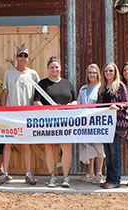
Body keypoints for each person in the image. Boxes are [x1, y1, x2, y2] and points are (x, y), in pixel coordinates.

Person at [0, 46, 40, 185]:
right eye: (20, 55)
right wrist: (3, 111)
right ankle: (5, 173)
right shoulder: (9, 73)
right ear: (17, 57)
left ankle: (28, 173)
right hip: (11, 114)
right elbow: (5, 92)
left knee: (27, 144)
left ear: (28, 58)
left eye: (25, 56)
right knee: (7, 143)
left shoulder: (33, 74)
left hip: (27, 115)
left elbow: (38, 94)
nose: (23, 58)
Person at [34, 56, 77, 188]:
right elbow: (36, 102)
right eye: (52, 67)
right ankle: (52, 176)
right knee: (49, 147)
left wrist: (70, 105)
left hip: (65, 122)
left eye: (56, 67)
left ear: (60, 68)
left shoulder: (67, 84)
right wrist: (47, 110)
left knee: (67, 148)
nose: (54, 69)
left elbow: (75, 101)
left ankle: (65, 177)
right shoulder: (42, 84)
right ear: (48, 69)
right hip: (48, 121)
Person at [97, 62, 128, 189]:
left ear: (115, 72)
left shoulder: (120, 86)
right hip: (105, 125)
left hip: (116, 124)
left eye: (111, 70)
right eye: (106, 71)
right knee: (108, 153)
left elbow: (127, 103)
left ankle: (115, 180)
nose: (108, 73)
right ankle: (109, 178)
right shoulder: (102, 87)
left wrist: (117, 106)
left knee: (115, 152)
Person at [77, 64, 105, 184]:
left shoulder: (101, 88)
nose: (92, 75)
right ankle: (90, 173)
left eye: (94, 72)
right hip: (85, 123)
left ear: (98, 74)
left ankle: (99, 173)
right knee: (88, 147)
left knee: (99, 147)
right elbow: (78, 104)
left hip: (98, 122)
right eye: (90, 72)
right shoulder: (83, 89)